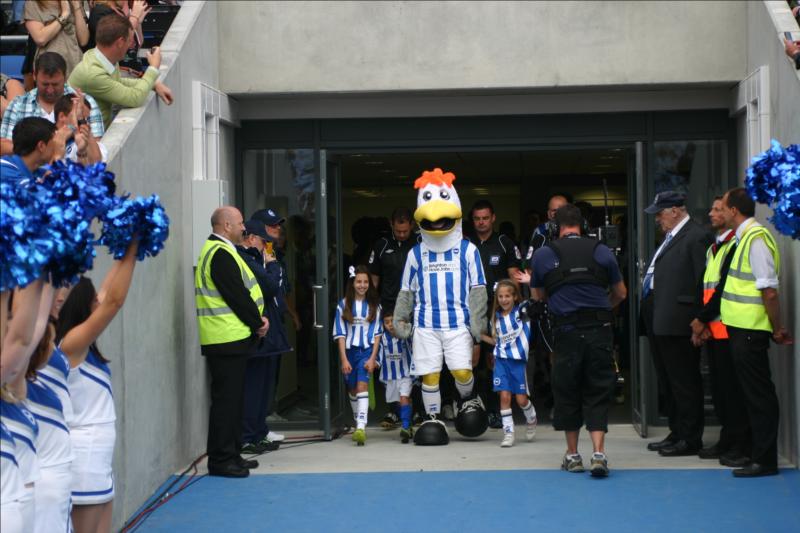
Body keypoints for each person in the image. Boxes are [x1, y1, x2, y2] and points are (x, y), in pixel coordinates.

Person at [530, 204, 627, 476]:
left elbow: (538, 297)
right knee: (598, 389)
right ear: (582, 225)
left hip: (566, 332)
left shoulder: (543, 254)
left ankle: (572, 455)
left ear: (555, 228)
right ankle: (599, 453)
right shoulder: (602, 251)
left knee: (567, 390)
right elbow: (621, 293)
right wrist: (602, 308)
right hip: (599, 330)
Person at [56, 239, 138, 533]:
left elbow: (106, 295)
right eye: (93, 302)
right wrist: (133, 249)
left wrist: (126, 245)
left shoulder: (81, 343)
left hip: (97, 455)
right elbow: (114, 302)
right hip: (83, 458)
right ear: (81, 307)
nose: (99, 304)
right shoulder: (69, 345)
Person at [718, 187, 793, 477]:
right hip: (742, 330)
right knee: (750, 394)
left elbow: (769, 292)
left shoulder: (756, 238)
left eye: (723, 208)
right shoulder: (745, 238)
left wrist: (777, 329)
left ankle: (764, 459)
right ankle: (754, 453)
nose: (720, 212)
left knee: (759, 396)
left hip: (751, 331)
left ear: (734, 211)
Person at [195, 207, 267, 479]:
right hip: (226, 338)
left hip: (227, 338)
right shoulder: (220, 254)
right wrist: (258, 323)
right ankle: (222, 460)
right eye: (239, 223)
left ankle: (232, 454)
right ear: (225, 225)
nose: (243, 228)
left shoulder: (217, 251)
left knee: (232, 401)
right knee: (227, 403)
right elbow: (236, 295)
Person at [639, 191, 711, 457]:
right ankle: (678, 431)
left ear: (676, 211)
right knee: (669, 380)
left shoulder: (696, 236)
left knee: (684, 381)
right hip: (661, 318)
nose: (658, 219)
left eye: (660, 213)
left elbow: (702, 281)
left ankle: (690, 438)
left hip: (681, 321)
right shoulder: (671, 237)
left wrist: (699, 319)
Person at [689, 197, 751, 467]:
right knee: (721, 391)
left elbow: (723, 289)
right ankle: (728, 438)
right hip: (714, 329)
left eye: (717, 209)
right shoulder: (715, 247)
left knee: (733, 392)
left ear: (731, 212)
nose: (711, 213)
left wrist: (701, 320)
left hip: (729, 327)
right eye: (712, 208)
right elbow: (705, 287)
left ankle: (741, 443)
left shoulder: (734, 245)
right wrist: (702, 323)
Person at [236, 220, 289, 455]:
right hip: (254, 337)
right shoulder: (246, 259)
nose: (267, 247)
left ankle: (258, 432)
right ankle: (248, 436)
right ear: (251, 238)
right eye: (264, 241)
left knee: (264, 390)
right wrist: (273, 265)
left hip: (267, 336)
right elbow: (269, 286)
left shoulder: (255, 260)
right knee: (254, 389)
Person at [68, 13, 173, 128]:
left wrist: (154, 84)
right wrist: (153, 68)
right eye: (130, 41)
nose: (131, 45)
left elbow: (119, 82)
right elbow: (134, 98)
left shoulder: (101, 56)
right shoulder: (92, 74)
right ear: (120, 42)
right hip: (88, 139)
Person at [469, 199, 521, 428]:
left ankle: (495, 411)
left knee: (494, 363)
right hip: (470, 312)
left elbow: (515, 279)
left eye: (485, 218)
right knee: (471, 363)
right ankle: (470, 410)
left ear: (493, 218)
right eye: (477, 219)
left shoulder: (504, 242)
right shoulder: (465, 243)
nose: (481, 222)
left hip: (497, 313)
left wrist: (513, 311)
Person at [368, 206, 417, 428]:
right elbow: (373, 280)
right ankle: (393, 411)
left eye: (405, 231)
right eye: (398, 231)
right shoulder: (382, 245)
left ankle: (416, 411)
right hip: (388, 309)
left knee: (416, 359)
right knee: (390, 359)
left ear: (412, 226)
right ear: (392, 225)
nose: (402, 235)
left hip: (413, 310)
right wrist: (371, 307)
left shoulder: (420, 244)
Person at [1, 52, 104, 156]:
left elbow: (98, 151)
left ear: (65, 77)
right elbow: (3, 147)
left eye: (55, 84)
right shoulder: (18, 105)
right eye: (45, 84)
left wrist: (81, 121)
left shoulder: (85, 102)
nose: (50, 90)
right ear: (34, 76)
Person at [25, 319, 73, 533]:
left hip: (54, 488)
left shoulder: (35, 385)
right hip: (45, 490)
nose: (55, 348)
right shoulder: (19, 387)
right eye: (52, 342)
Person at [480, 279, 537, 448]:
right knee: (504, 397)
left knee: (521, 400)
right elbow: (496, 341)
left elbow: (536, 300)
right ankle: (508, 433)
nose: (504, 300)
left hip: (518, 362)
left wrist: (530, 282)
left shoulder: (522, 312)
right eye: (500, 296)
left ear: (514, 297)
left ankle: (531, 417)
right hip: (501, 361)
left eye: (507, 296)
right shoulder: (495, 319)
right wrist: (480, 336)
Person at [332, 266, 382, 446]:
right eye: (359, 281)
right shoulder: (343, 304)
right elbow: (340, 334)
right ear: (352, 283)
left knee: (362, 385)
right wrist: (344, 359)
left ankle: (361, 427)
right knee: (352, 389)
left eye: (366, 282)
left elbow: (377, 335)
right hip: (349, 352)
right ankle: (356, 422)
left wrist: (372, 358)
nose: (362, 285)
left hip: (366, 351)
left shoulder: (375, 305)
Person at [24, 0, 89, 77]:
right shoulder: (33, 3)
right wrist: (64, 15)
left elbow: (83, 40)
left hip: (75, 64)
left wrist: (76, 7)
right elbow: (40, 38)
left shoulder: (74, 2)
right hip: (49, 67)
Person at [377, 314, 414, 443]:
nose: (390, 325)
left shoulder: (405, 336)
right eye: (386, 322)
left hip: (405, 374)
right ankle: (408, 421)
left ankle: (405, 426)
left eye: (392, 321)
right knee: (399, 401)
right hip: (390, 376)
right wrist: (374, 363)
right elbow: (378, 354)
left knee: (404, 398)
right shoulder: (382, 338)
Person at [1, 116, 62, 184]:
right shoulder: (4, 168)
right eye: (54, 142)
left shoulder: (40, 172)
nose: (57, 146)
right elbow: (31, 193)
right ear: (41, 146)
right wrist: (57, 159)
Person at [53, 93, 106, 163]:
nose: (83, 125)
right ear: (62, 116)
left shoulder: (85, 142)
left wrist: (83, 122)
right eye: (79, 120)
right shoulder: (46, 135)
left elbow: (96, 162)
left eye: (86, 120)